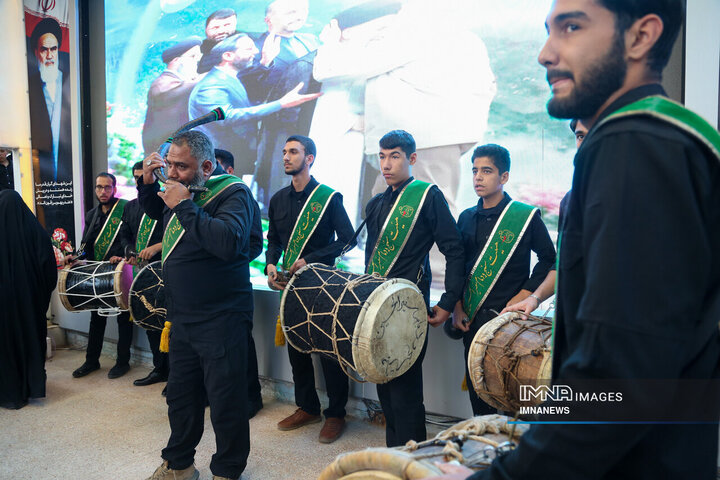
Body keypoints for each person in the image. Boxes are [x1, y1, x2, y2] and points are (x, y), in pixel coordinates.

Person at [429, 1, 720, 479]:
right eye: (548, 31)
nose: (546, 52)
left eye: (571, 27)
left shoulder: (633, 146)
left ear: (640, 36)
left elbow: (619, 383)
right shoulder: (661, 140)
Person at [140, 130, 256, 480]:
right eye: (169, 165)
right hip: (183, 317)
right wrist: (147, 184)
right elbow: (152, 210)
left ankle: (227, 471)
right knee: (181, 398)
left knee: (225, 404)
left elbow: (228, 243)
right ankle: (179, 465)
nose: (172, 174)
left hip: (222, 318)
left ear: (206, 166)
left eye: (181, 167)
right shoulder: (182, 191)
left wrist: (185, 205)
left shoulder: (234, 192)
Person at [363, 130, 465, 447]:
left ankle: (412, 459)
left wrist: (448, 301)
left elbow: (455, 249)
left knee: (405, 392)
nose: (387, 163)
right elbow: (370, 259)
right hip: (377, 306)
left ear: (412, 159)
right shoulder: (378, 202)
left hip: (408, 308)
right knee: (384, 385)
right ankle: (394, 456)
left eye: (395, 156)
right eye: (382, 156)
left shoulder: (428, 196)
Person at [450, 144, 556, 415]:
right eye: (475, 171)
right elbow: (460, 267)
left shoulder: (523, 216)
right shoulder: (466, 218)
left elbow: (549, 259)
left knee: (510, 393)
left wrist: (528, 292)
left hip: (509, 320)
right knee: (478, 390)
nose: (478, 178)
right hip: (472, 319)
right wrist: (458, 305)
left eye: (487, 171)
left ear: (504, 177)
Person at [265, 135, 355, 443]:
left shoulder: (329, 198)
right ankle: (307, 407)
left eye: (293, 152)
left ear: (310, 158)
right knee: (297, 349)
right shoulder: (277, 199)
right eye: (284, 151)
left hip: (323, 286)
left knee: (329, 352)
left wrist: (310, 259)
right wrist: (270, 265)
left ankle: (336, 414)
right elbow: (273, 240)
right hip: (289, 287)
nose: (286, 157)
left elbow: (347, 239)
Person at [188, 33, 321, 175]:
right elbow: (227, 116)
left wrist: (265, 61)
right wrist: (280, 104)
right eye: (248, 49)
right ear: (228, 56)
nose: (256, 52)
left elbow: (247, 86)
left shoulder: (228, 77)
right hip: (217, 160)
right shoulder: (211, 85)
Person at [503, 119, 588, 315]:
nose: (586, 143)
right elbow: (562, 263)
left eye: (594, 134)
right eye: (580, 136)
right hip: (577, 315)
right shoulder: (570, 200)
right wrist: (534, 298)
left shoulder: (633, 194)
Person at [250, 0, 321, 210]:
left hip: (305, 118)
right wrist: (263, 64)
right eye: (291, 12)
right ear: (269, 19)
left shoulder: (310, 40)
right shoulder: (254, 47)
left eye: (303, 11)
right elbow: (250, 89)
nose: (299, 16)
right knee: (275, 173)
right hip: (274, 124)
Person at [213, 147, 265, 418]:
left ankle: (251, 398)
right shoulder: (205, 200)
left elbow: (255, 244)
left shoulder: (243, 199)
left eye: (215, 167)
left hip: (234, 284)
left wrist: (229, 257)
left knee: (241, 344)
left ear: (229, 171)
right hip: (210, 290)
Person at [71, 173, 133, 380]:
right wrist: (76, 257)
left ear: (114, 188)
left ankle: (122, 362)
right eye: (99, 187)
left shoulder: (126, 208)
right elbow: (85, 245)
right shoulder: (92, 215)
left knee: (124, 318)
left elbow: (131, 240)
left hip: (121, 271)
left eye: (107, 187)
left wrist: (124, 255)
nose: (103, 191)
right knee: (96, 317)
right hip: (99, 272)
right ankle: (91, 361)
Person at [0, 190, 57, 409]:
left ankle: (9, 393)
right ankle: (31, 388)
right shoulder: (36, 232)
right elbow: (49, 271)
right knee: (29, 341)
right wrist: (38, 298)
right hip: (28, 306)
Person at [118, 162, 168, 387]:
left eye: (144, 178)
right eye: (137, 179)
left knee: (168, 325)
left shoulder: (166, 203)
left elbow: (177, 235)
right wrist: (129, 251)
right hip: (141, 274)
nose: (140, 182)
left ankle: (175, 375)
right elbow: (125, 235)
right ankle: (159, 369)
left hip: (164, 273)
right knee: (148, 321)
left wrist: (157, 246)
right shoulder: (130, 207)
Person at [27, 17, 71, 184]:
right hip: (41, 179)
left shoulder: (70, 84)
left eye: (53, 49)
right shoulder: (28, 87)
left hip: (68, 177)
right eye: (44, 50)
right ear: (36, 52)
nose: (50, 55)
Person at [142, 38, 203, 155]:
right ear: (176, 61)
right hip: (164, 156)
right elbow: (181, 91)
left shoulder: (179, 80)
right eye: (193, 56)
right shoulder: (162, 84)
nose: (198, 61)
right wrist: (212, 74)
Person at [197, 9, 241, 75]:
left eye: (227, 25)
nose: (221, 31)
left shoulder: (245, 42)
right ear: (206, 30)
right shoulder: (198, 49)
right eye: (215, 28)